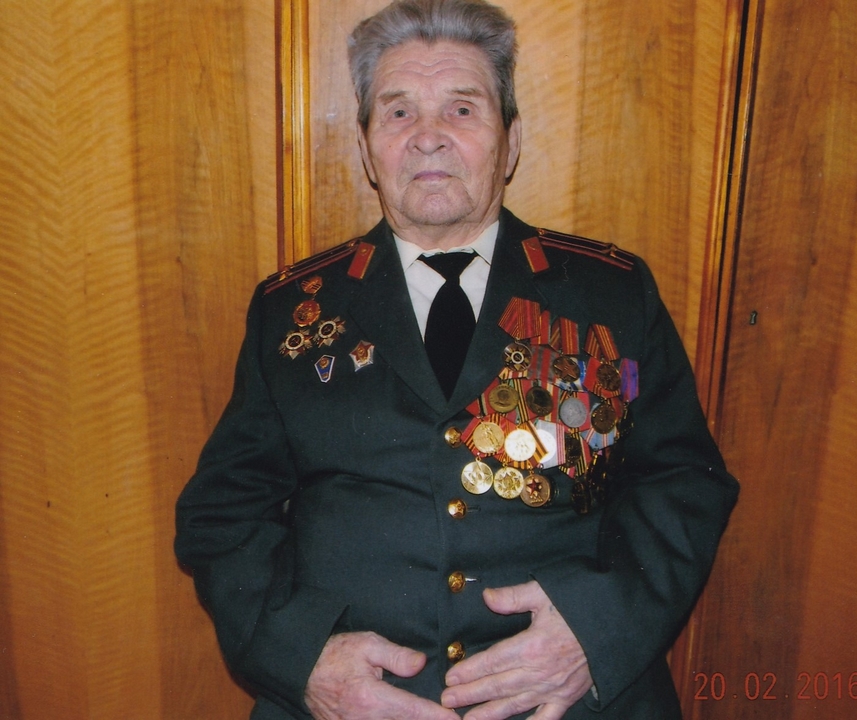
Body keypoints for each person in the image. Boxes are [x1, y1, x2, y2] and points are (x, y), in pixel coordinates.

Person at [174, 1, 739, 718]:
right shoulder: (292, 311)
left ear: (511, 141)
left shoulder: (610, 295)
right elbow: (222, 513)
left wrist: (596, 631)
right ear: (367, 149)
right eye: (398, 112)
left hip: (572, 699)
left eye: (463, 109)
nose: (428, 136)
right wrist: (303, 658)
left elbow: (684, 480)